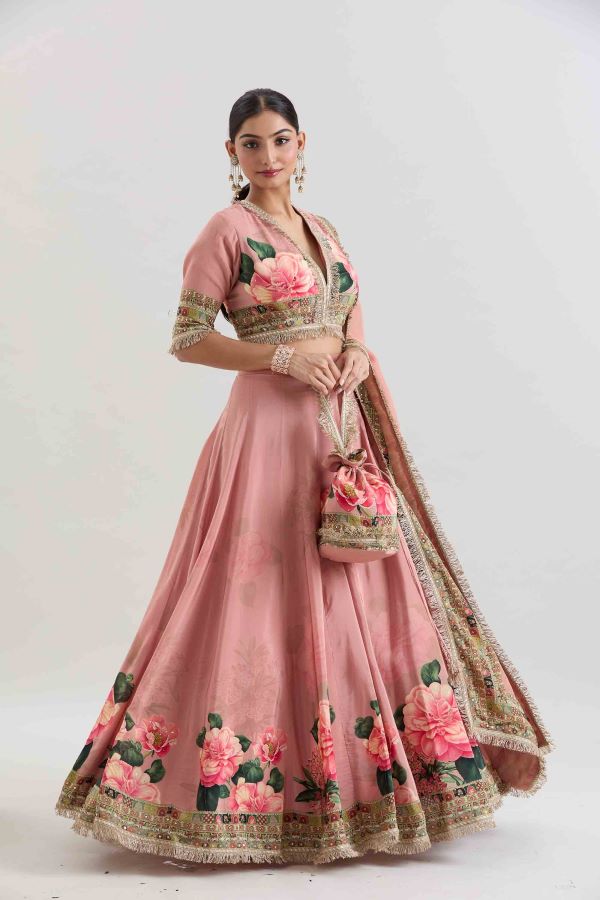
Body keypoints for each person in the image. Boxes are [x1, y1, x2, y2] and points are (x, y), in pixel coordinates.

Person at [55, 88, 555, 866]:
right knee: (258, 588)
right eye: (252, 144)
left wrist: (354, 352)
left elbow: (350, 315)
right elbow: (188, 337)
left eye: (280, 140)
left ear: (302, 144)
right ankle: (241, 793)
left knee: (358, 579)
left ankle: (370, 783)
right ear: (231, 154)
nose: (269, 156)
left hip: (339, 430)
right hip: (267, 433)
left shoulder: (324, 230)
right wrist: (280, 357)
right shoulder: (226, 231)